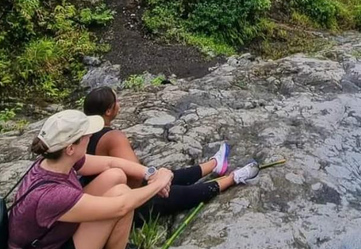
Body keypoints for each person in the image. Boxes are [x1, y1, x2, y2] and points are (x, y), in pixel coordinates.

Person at [2, 109, 174, 249]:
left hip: (51, 246)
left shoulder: (55, 162)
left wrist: (150, 173)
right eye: (86, 135)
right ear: (70, 148)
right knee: (122, 196)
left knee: (115, 176)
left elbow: (110, 164)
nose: (91, 136)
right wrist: (159, 183)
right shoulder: (51, 195)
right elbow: (121, 207)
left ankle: (106, 245)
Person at [82, 86, 259, 223]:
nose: (119, 104)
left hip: (103, 197)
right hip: (127, 203)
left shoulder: (81, 135)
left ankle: (214, 164)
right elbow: (136, 179)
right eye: (117, 102)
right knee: (185, 194)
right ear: (108, 111)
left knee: (170, 175)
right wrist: (152, 186)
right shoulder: (113, 137)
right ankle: (234, 178)